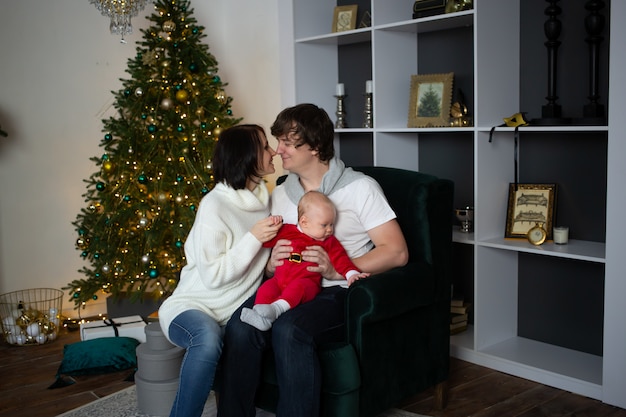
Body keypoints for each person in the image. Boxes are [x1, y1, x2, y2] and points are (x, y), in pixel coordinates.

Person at [217, 104, 409, 417]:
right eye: (278, 141)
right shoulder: (280, 194)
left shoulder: (360, 188)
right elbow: (267, 251)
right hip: (286, 283)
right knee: (240, 327)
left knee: (289, 329)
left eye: (287, 143)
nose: (278, 151)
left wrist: (339, 268)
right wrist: (269, 264)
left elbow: (397, 251)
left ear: (315, 147)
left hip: (336, 291)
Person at [157, 124, 282, 417]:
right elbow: (213, 276)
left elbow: (252, 269)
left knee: (231, 335)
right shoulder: (214, 205)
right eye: (265, 147)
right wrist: (254, 238)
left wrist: (271, 264)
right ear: (245, 157)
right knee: (208, 338)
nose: (273, 151)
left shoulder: (265, 201)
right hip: (191, 307)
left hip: (232, 312)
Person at [240, 190, 369, 331]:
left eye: (332, 224)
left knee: (298, 288)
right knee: (266, 288)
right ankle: (259, 315)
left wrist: (351, 274)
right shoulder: (287, 231)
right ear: (304, 222)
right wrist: (272, 224)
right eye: (324, 225)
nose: (330, 230)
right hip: (279, 280)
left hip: (306, 282)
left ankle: (276, 309)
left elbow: (341, 258)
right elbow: (265, 242)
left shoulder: (328, 241)